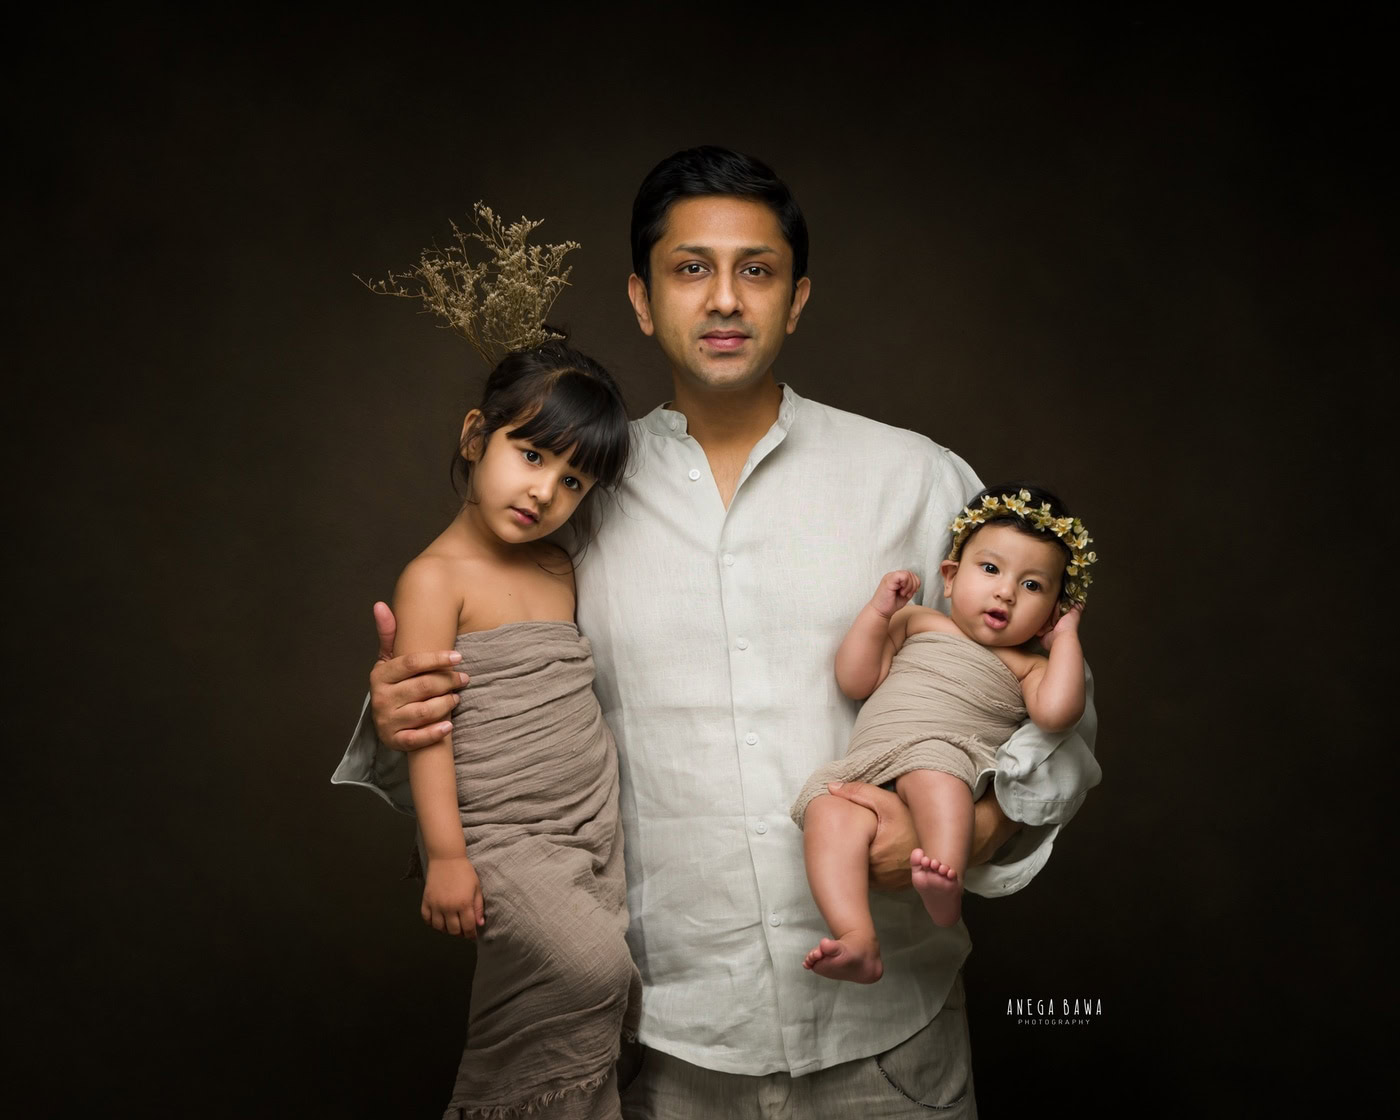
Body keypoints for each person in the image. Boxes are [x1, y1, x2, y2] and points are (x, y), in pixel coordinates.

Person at [338, 147, 1102, 1118]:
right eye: (690, 268)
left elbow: (1059, 734)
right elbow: (501, 725)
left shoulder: (918, 481)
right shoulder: (573, 507)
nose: (725, 299)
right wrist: (402, 705)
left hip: (891, 1049)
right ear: (640, 297)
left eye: (757, 269)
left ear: (798, 296)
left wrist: (972, 829)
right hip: (669, 1054)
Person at [374, 338, 640, 1119]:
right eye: (529, 455)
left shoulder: (559, 566)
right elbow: (428, 726)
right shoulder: (435, 579)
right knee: (595, 967)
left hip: (585, 826)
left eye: (572, 481)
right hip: (496, 831)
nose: (544, 492)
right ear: (472, 437)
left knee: (590, 994)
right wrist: (447, 856)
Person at [792, 485, 1095, 984]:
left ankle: (944, 882)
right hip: (873, 758)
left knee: (934, 769)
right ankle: (857, 937)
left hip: (949, 756)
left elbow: (1059, 715)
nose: (1006, 592)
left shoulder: (1028, 667)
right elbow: (856, 678)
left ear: (1054, 610)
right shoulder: (918, 621)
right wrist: (878, 613)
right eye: (991, 569)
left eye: (1033, 586)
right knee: (828, 808)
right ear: (951, 578)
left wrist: (1066, 639)